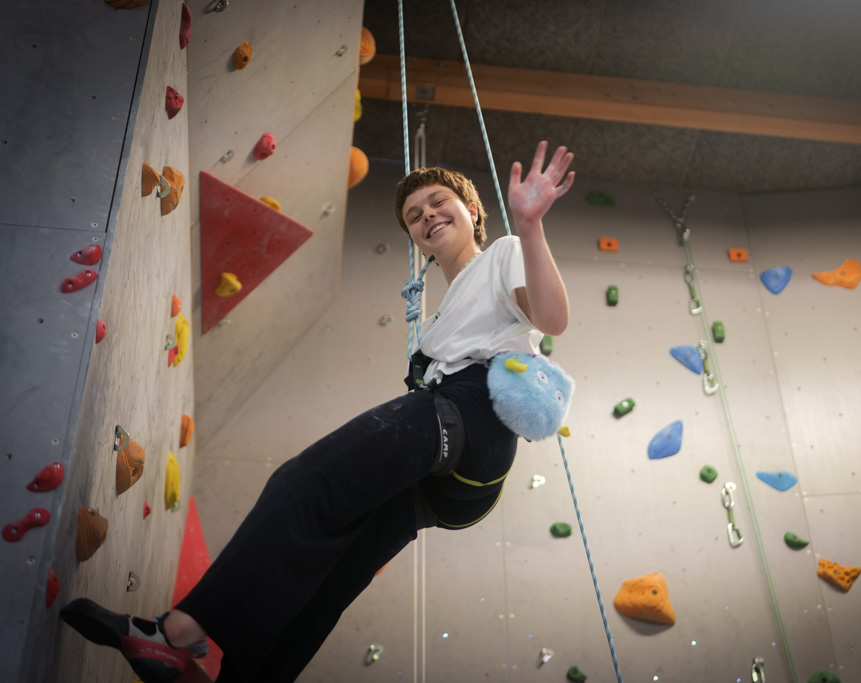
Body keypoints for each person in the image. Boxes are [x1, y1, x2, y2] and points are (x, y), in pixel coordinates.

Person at [59, 141, 575, 683]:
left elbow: (552, 317)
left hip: (469, 418)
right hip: (459, 479)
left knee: (307, 483)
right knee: (333, 571)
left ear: (472, 210)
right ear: (415, 240)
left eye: (438, 202)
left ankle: (174, 635)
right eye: (414, 216)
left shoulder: (505, 253)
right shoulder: (443, 313)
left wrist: (531, 224)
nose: (427, 216)